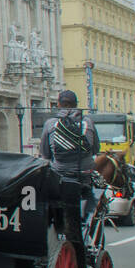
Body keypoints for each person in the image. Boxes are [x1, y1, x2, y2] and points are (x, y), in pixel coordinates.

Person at [39, 89, 99, 245]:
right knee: (92, 198)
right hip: (83, 177)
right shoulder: (88, 122)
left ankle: (55, 224)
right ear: (76, 105)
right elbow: (95, 150)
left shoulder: (50, 124)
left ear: (58, 105)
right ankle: (87, 222)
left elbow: (45, 155)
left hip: (60, 179)